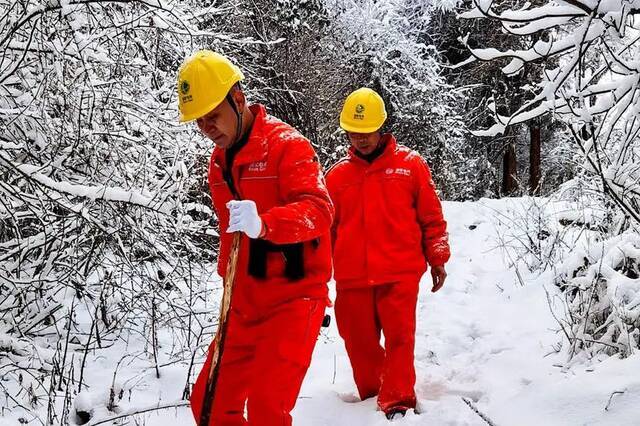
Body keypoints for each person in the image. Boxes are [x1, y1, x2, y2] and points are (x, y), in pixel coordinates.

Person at [177, 50, 334, 426]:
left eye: (213, 115)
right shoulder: (219, 162)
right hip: (244, 301)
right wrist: (227, 278)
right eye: (199, 120)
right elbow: (229, 235)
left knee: (267, 409)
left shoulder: (287, 146)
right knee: (211, 406)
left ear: (239, 99)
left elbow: (319, 210)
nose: (207, 127)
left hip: (294, 298)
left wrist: (265, 224)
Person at [325, 87, 450, 420]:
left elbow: (431, 216)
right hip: (353, 277)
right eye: (353, 132)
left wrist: (437, 256)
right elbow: (326, 233)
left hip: (400, 271)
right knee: (357, 341)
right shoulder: (336, 177)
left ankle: (397, 401)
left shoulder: (411, 166)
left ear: (382, 126)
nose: (361, 139)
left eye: (366, 132)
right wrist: (318, 277)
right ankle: (371, 396)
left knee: (400, 339)